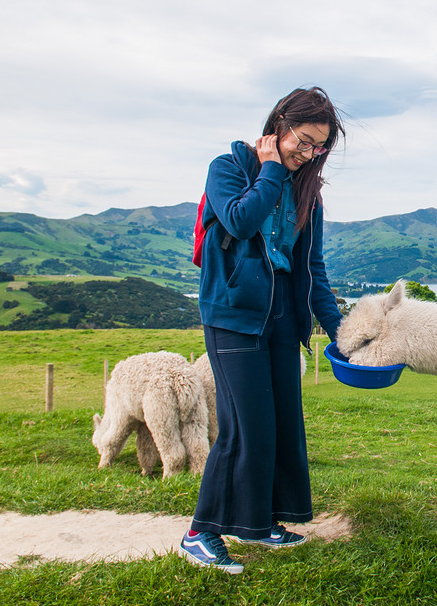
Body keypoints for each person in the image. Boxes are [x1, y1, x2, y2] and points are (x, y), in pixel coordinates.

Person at [179, 86, 345, 574]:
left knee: (279, 428)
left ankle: (265, 522)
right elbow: (240, 218)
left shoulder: (306, 194)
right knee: (244, 429)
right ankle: (200, 532)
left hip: (279, 321)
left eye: (320, 147)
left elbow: (311, 269)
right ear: (280, 124)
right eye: (304, 140)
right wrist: (272, 169)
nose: (309, 153)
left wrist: (342, 333)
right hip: (232, 317)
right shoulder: (227, 168)